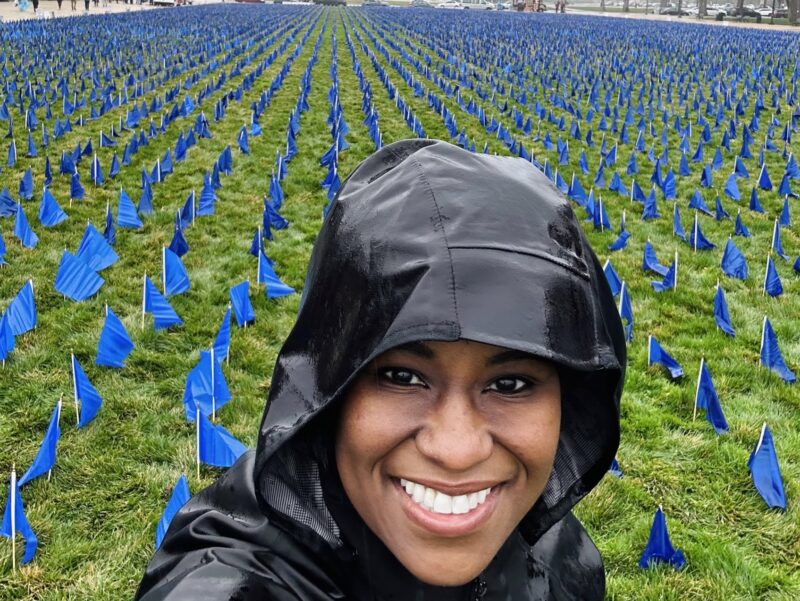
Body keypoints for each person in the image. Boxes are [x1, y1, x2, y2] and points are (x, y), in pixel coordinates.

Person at [135, 139, 626, 600]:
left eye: (510, 384)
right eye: (402, 377)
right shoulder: (235, 578)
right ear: (329, 389)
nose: (456, 452)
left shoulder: (555, 549)